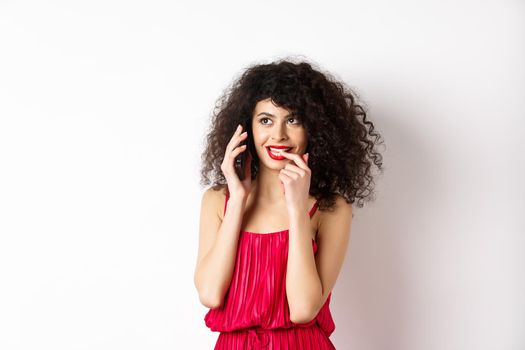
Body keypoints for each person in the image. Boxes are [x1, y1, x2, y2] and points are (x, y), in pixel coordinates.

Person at [194, 58, 384, 349]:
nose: (279, 135)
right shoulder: (218, 201)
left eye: (293, 120)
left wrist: (297, 209)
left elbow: (303, 309)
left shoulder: (330, 209)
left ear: (314, 130)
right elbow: (209, 294)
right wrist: (238, 200)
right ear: (247, 128)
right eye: (266, 120)